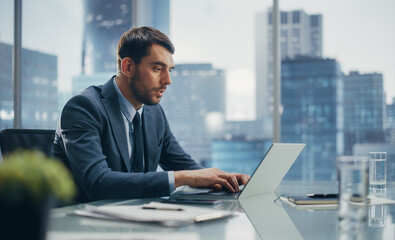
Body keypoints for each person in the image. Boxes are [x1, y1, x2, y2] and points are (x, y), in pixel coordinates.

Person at [53, 26, 250, 202]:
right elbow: (98, 182)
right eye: (158, 69)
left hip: (136, 222)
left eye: (170, 70)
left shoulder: (154, 113)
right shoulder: (83, 108)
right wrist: (182, 178)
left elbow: (182, 163)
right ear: (128, 67)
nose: (168, 80)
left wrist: (224, 180)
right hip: (83, 226)